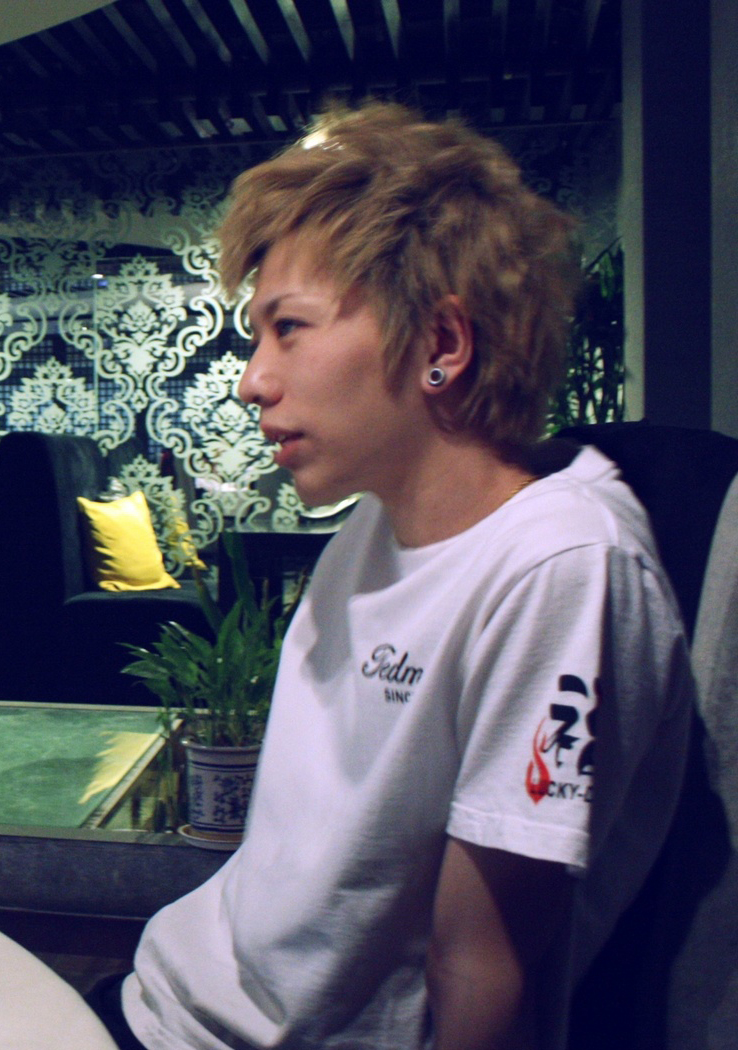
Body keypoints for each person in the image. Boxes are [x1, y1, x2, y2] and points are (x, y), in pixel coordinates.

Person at [101, 102, 693, 1050]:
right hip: (170, 996)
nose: (252, 380)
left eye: (288, 329)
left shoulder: (562, 566)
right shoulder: (372, 524)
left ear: (441, 346)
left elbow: (482, 966)